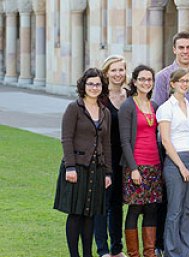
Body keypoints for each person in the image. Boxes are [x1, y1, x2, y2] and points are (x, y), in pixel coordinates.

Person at [152, 31, 189, 257]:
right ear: (174, 49)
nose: (185, 51)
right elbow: (162, 130)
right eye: (181, 47)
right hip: (172, 151)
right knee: (172, 207)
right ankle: (168, 249)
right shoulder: (163, 78)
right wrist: (178, 164)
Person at [54, 68, 112, 257]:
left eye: (98, 84)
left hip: (97, 170)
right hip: (76, 168)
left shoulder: (105, 112)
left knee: (90, 214)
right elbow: (66, 138)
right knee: (76, 213)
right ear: (83, 86)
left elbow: (106, 143)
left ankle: (88, 254)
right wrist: (70, 167)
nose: (94, 87)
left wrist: (108, 172)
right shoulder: (74, 108)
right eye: (91, 84)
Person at [119, 65, 163, 257]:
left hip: (155, 165)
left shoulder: (154, 105)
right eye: (142, 79)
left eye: (149, 79)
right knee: (135, 209)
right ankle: (134, 254)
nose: (146, 83)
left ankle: (150, 252)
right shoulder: (128, 105)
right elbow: (125, 141)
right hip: (136, 165)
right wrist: (133, 168)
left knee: (152, 208)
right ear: (135, 81)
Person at [94, 55, 128, 257]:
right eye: (113, 70)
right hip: (104, 157)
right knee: (102, 204)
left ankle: (117, 249)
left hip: (124, 159)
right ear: (106, 73)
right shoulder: (100, 97)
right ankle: (103, 250)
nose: (118, 74)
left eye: (121, 70)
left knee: (117, 205)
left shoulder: (131, 95)